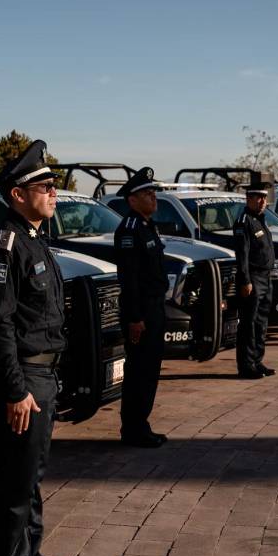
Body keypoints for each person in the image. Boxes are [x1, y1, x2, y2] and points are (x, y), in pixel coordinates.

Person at [0, 140, 77, 556]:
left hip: (44, 375)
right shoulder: (6, 245)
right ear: (18, 194)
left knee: (32, 476)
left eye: (54, 186)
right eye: (44, 186)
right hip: (24, 378)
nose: (54, 193)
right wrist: (17, 390)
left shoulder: (37, 240)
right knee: (16, 482)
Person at [113, 167, 169, 448]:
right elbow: (130, 279)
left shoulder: (147, 227)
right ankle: (133, 429)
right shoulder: (129, 230)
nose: (153, 197)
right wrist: (135, 318)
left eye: (154, 192)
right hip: (142, 313)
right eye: (147, 193)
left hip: (155, 309)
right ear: (132, 200)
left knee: (150, 372)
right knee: (139, 373)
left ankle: (141, 424)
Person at [233, 181, 277, 377]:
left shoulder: (261, 219)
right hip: (252, 278)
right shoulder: (245, 221)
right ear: (248, 198)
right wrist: (245, 281)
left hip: (266, 278)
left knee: (261, 323)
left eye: (264, 198)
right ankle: (246, 365)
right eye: (257, 197)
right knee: (249, 324)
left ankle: (257, 361)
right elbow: (242, 254)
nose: (262, 201)